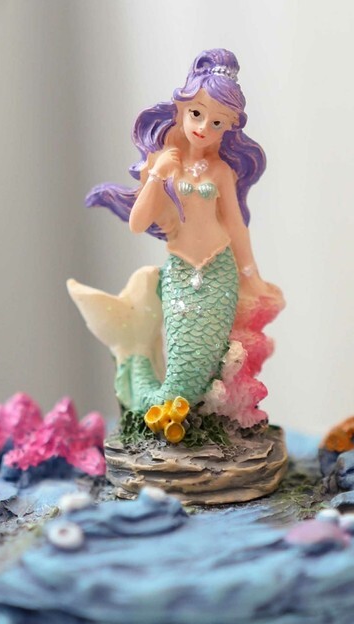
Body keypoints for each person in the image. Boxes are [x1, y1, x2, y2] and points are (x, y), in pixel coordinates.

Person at [86, 48, 281, 420]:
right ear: (181, 109)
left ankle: (209, 417)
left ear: (229, 127)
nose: (203, 127)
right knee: (182, 362)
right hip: (179, 274)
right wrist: (158, 175)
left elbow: (235, 225)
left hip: (219, 274)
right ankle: (143, 379)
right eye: (197, 114)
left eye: (217, 122)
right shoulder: (164, 164)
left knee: (209, 359)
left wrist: (251, 274)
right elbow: (137, 223)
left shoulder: (221, 171)